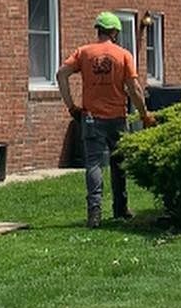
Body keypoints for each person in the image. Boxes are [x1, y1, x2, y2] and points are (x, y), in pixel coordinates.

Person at [57, 11, 156, 228]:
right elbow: (134, 89)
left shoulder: (83, 53)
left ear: (99, 30)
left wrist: (71, 106)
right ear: (114, 32)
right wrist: (144, 115)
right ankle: (120, 209)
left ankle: (94, 214)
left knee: (93, 165)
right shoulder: (123, 55)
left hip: (91, 118)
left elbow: (61, 74)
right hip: (117, 119)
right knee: (119, 163)